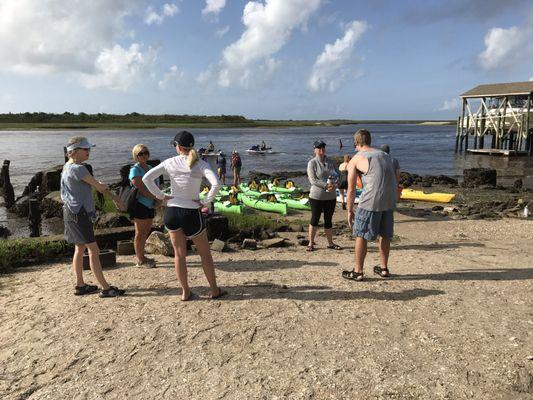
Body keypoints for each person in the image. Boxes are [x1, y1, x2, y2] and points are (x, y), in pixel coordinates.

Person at [142, 131, 225, 301]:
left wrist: (161, 196)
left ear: (178, 147)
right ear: (191, 146)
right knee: (205, 254)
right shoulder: (200, 164)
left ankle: (185, 292)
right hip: (191, 212)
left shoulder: (170, 162)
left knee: (179, 255)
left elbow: (146, 178)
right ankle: (214, 290)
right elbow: (216, 184)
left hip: (172, 212)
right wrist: (205, 201)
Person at [61, 136, 125, 298]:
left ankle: (80, 285)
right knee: (93, 250)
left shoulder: (67, 166)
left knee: (79, 248)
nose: (88, 152)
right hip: (80, 213)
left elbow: (88, 183)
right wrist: (115, 197)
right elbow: (100, 187)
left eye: (89, 149)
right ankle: (105, 288)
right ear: (74, 151)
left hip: (70, 211)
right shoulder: (79, 169)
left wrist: (97, 184)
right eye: (85, 149)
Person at [344, 129, 397, 281]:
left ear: (356, 143)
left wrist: (349, 210)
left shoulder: (356, 158)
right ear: (370, 141)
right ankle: (384, 268)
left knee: (361, 234)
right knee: (385, 234)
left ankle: (358, 271)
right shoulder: (385, 155)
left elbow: (351, 188)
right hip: (389, 199)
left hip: (371, 201)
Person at [306, 140, 342, 252]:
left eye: (323, 147)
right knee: (314, 220)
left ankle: (330, 243)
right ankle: (311, 243)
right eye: (319, 147)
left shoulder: (331, 162)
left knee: (328, 220)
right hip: (316, 196)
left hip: (330, 197)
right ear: (315, 150)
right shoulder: (312, 163)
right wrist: (326, 186)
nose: (321, 149)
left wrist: (336, 184)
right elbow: (313, 180)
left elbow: (339, 175)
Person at [129, 144, 159, 268]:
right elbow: (140, 189)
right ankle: (140, 260)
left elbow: (156, 185)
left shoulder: (151, 167)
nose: (144, 155)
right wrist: (157, 197)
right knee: (139, 233)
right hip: (140, 205)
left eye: (146, 152)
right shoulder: (135, 170)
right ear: (136, 156)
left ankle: (142, 256)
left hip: (150, 205)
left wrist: (158, 199)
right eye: (140, 154)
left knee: (146, 231)